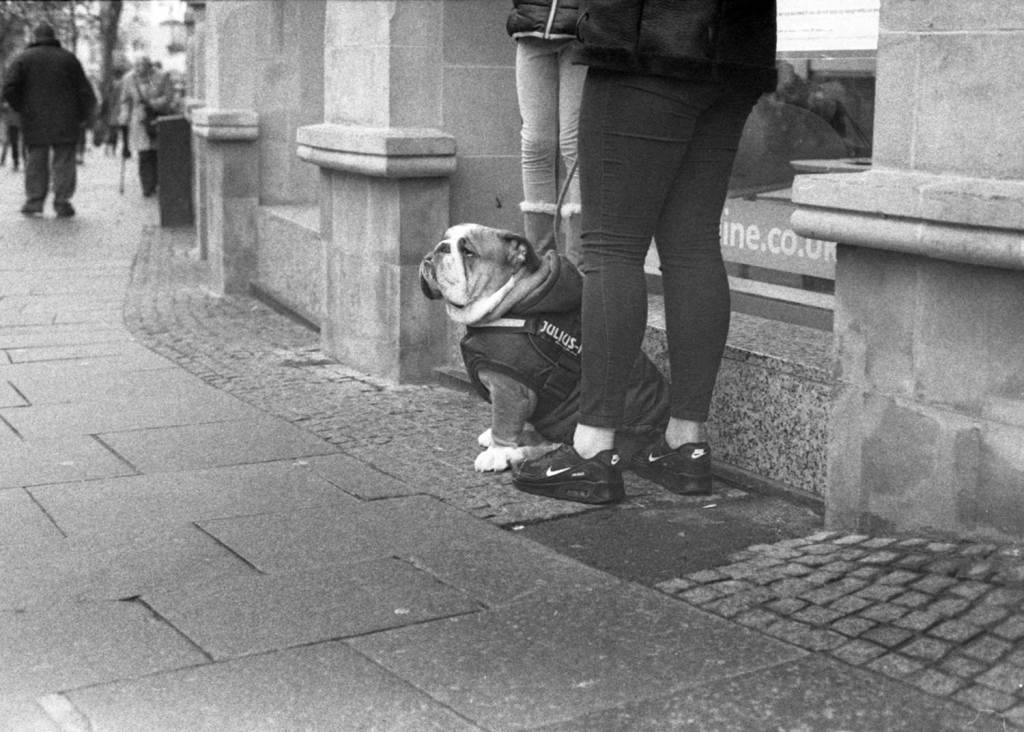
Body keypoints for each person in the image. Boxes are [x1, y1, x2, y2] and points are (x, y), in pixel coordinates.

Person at [512, 0, 778, 503]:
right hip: (738, 47)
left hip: (646, 41)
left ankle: (593, 450)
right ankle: (686, 444)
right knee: (694, 245)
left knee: (611, 248)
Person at [506, 0, 586, 265]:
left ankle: (578, 264)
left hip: (582, 30)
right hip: (532, 25)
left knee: (574, 144)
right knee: (535, 143)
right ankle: (540, 263)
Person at [1, 22, 96, 218]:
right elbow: (85, 91)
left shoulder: (23, 59)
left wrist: (22, 107)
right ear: (54, 37)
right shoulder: (69, 59)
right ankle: (62, 202)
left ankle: (34, 201)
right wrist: (83, 116)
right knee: (64, 160)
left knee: (36, 160)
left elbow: (9, 88)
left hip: (34, 119)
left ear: (34, 37)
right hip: (66, 119)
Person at [118, 56, 174, 197]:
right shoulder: (128, 79)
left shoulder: (162, 77)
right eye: (136, 67)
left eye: (141, 67)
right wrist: (124, 116)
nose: (138, 70)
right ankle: (147, 186)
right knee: (144, 153)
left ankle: (157, 182)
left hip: (158, 117)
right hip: (139, 120)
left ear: (149, 67)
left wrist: (153, 103)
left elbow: (168, 97)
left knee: (157, 152)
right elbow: (125, 100)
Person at [0, 102, 21, 171]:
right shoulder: (6, 105)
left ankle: (15, 163)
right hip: (10, 125)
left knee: (13, 144)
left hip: (14, 125)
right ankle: (12, 162)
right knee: (9, 143)